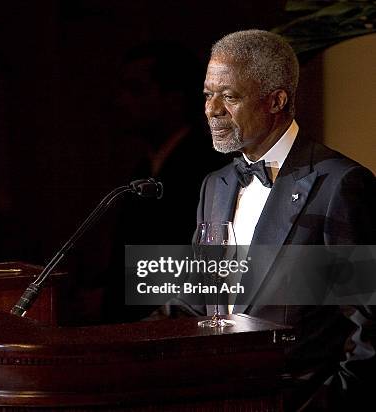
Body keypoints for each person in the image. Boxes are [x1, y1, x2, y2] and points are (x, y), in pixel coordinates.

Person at [164, 29, 375, 410]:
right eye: (208, 95)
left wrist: (329, 403)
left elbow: (369, 324)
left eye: (229, 97)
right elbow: (199, 302)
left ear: (276, 100)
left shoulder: (341, 185)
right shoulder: (216, 185)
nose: (211, 110)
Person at [99, 41, 226, 323]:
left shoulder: (208, 168)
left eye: (136, 90)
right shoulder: (144, 167)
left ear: (174, 98)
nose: (121, 101)